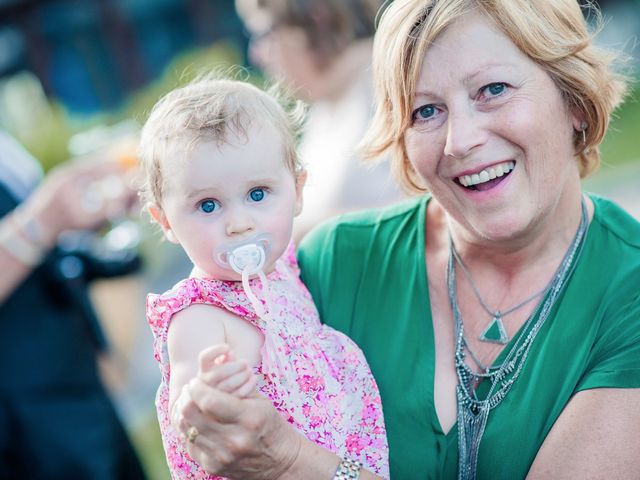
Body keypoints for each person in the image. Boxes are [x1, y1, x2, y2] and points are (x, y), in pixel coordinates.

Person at [169, 0, 640, 479]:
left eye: (492, 90)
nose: (460, 140)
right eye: (426, 111)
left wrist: (289, 461)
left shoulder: (630, 292)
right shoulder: (336, 262)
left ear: (575, 102)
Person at [139, 77, 389, 479]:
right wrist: (215, 391)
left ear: (297, 190)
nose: (239, 223)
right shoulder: (198, 315)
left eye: (258, 194)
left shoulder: (283, 268)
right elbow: (189, 419)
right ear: (165, 221)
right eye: (207, 205)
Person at [0, 129, 146, 479]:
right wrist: (46, 219)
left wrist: (81, 220)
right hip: (24, 432)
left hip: (77, 388)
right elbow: (35, 226)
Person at [236, 0, 403, 237]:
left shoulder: (393, 83)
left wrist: (313, 231)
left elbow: (432, 201)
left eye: (263, 34)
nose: (256, 55)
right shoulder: (322, 108)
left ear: (316, 19)